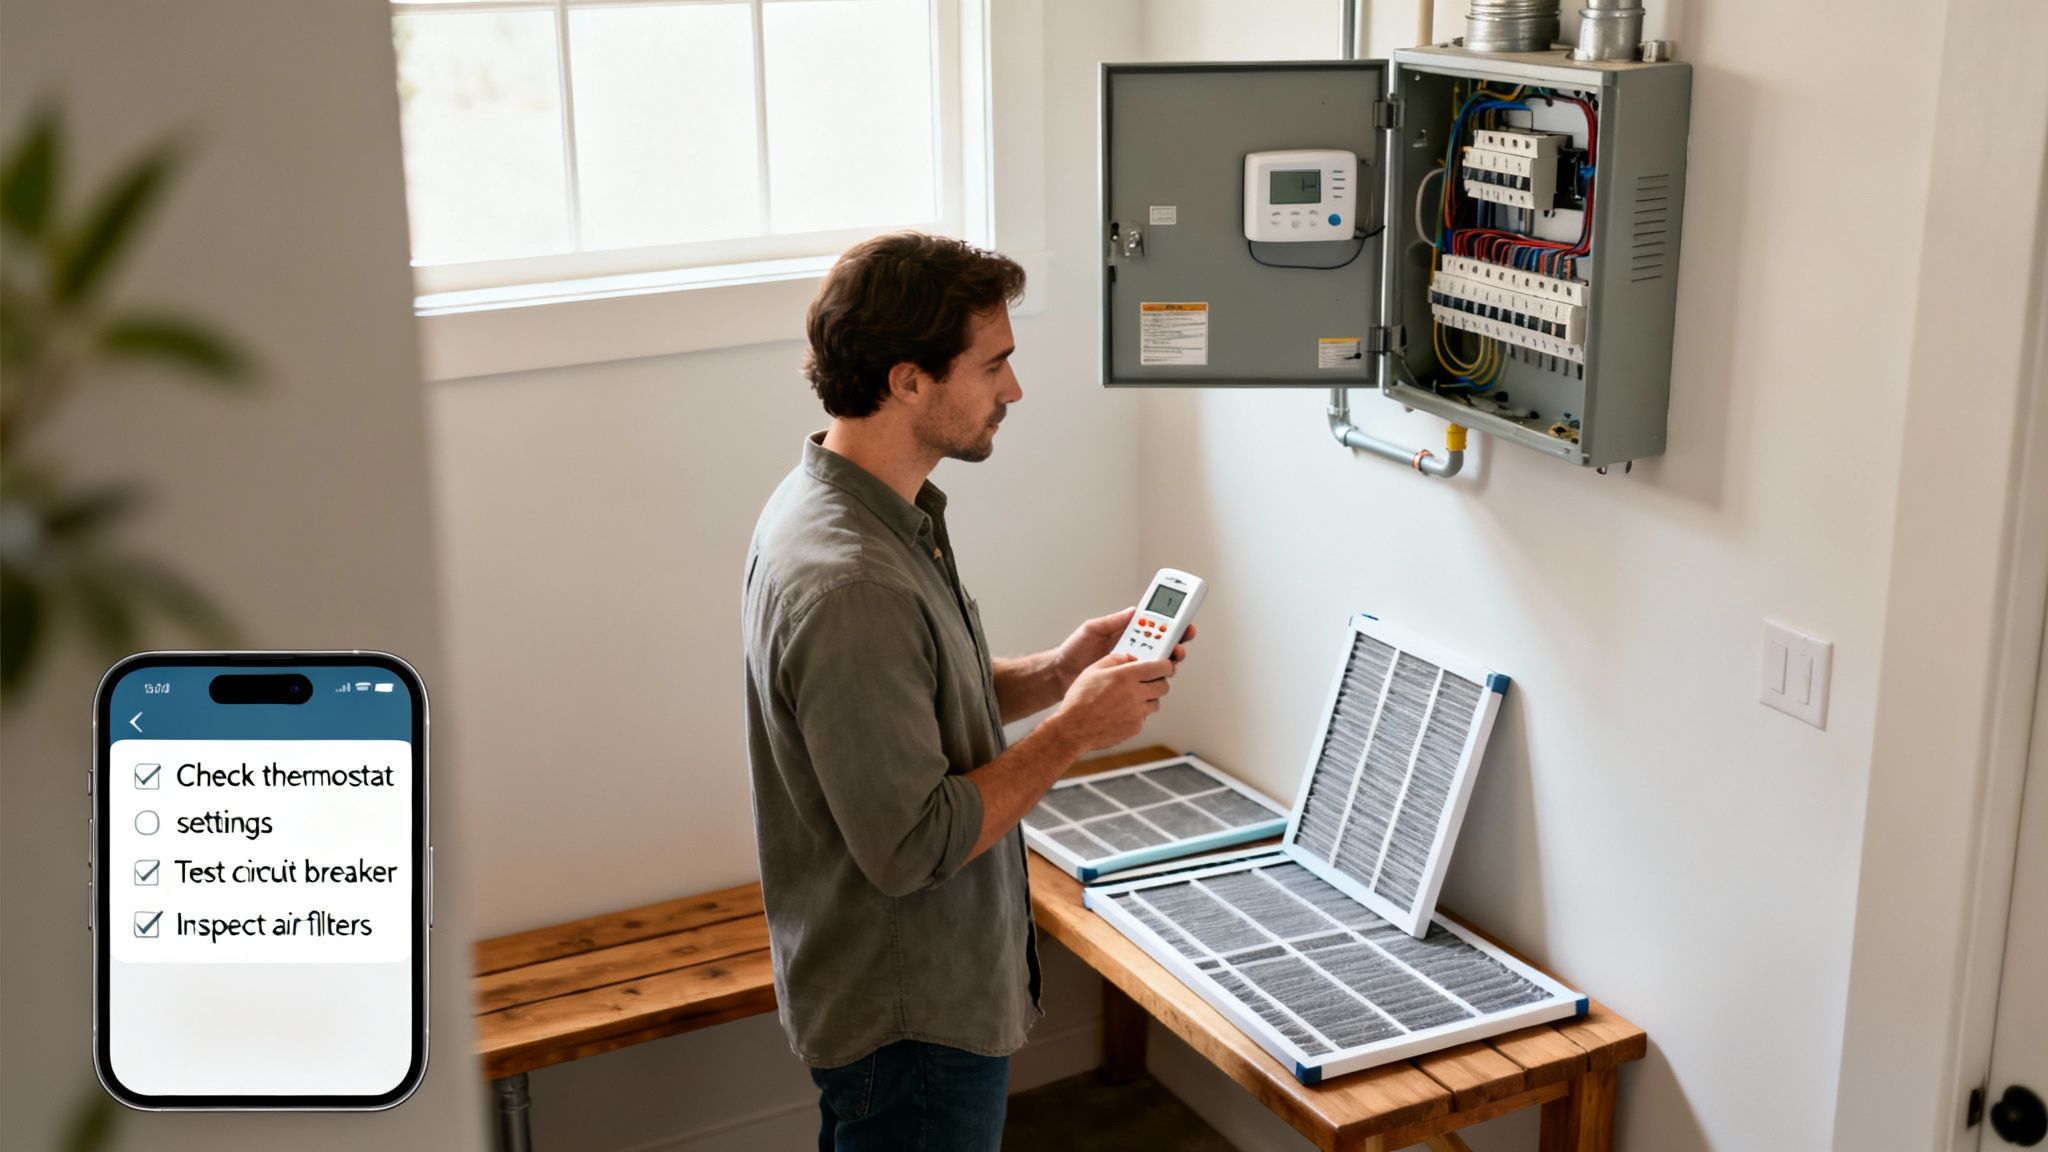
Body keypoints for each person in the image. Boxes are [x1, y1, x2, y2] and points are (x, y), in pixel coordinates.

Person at [742, 232, 1192, 1152]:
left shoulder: (847, 507)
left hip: (905, 1002)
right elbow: (912, 844)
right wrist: (1071, 731)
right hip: (910, 1023)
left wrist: (1059, 672)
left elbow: (907, 704)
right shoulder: (853, 581)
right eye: (995, 367)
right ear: (909, 380)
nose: (1013, 392)